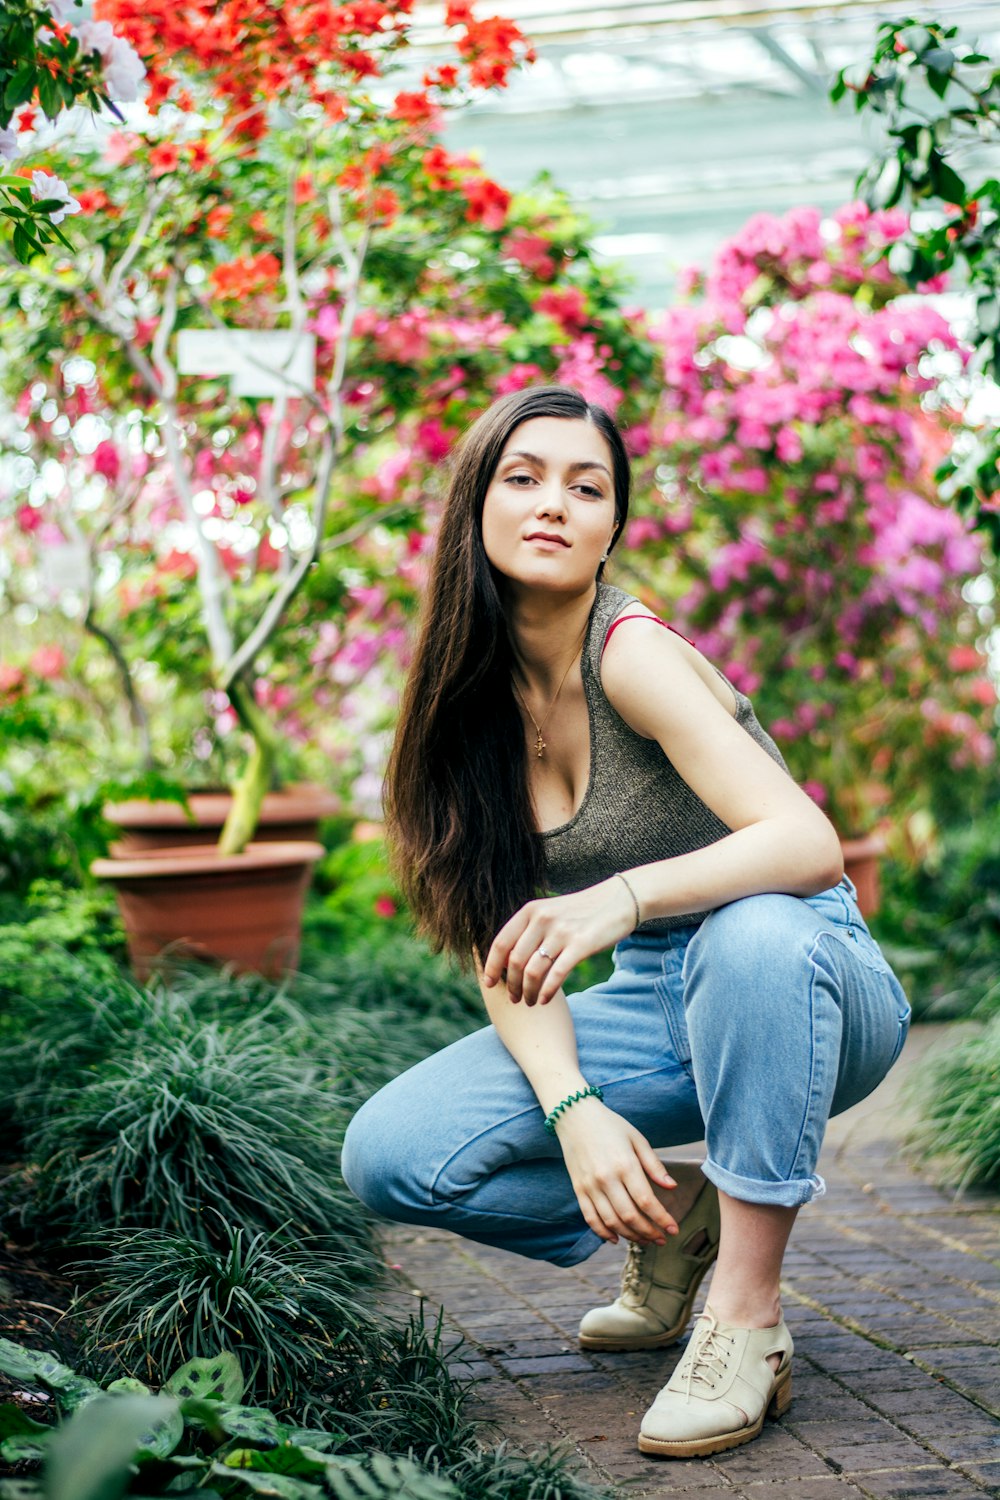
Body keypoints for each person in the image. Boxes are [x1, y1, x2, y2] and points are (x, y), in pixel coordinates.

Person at [341, 384, 911, 1459]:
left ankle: (745, 1320)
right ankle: (685, 1212)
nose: (552, 502)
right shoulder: (467, 705)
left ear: (611, 530)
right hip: (657, 998)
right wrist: (575, 1110)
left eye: (585, 485)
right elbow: (498, 942)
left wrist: (621, 896)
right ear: (476, 507)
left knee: (749, 933)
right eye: (523, 477)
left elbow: (805, 844)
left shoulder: (629, 653)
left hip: (814, 968)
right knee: (393, 1155)